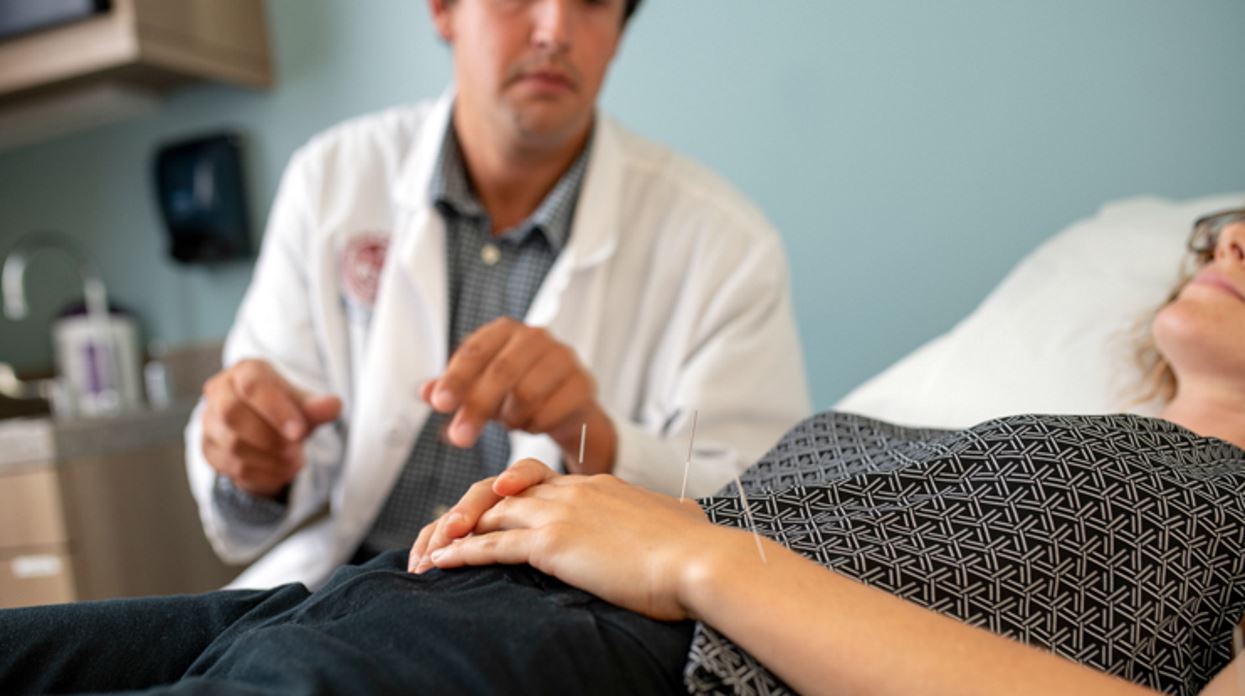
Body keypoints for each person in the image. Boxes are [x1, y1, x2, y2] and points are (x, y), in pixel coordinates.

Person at [2, 208, 1244, 695]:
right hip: (372, 594)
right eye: (1224, 231)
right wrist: (598, 496)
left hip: (607, 658)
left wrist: (698, 556)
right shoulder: (1023, 437)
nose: (1230, 244)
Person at [185, 0, 810, 590]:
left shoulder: (727, 245)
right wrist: (254, 465)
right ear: (441, 9)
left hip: (543, 616)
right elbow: (258, 446)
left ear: (619, 29)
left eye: (593, 2)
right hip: (333, 593)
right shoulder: (331, 180)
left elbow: (763, 523)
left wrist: (594, 437)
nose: (554, 29)